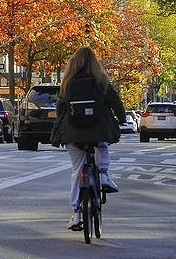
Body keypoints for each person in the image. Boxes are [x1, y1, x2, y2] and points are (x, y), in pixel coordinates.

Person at [50, 46, 126, 231]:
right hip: (97, 130)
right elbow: (116, 103)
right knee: (102, 147)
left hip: (73, 132)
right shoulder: (101, 81)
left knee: (77, 169)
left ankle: (76, 213)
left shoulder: (67, 82)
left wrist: (60, 126)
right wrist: (122, 119)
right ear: (94, 61)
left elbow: (61, 110)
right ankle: (105, 176)